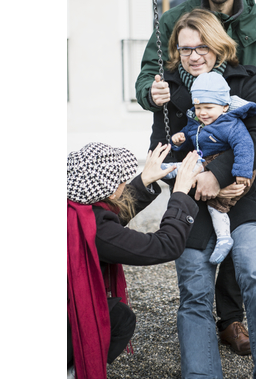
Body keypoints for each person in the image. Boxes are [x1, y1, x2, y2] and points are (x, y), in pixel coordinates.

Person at [135, 0, 256, 355]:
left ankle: (232, 316)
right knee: (200, 262)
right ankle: (212, 327)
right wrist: (153, 93)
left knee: (245, 240)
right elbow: (150, 76)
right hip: (193, 164)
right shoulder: (175, 23)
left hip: (238, 152)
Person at [67, 142, 202, 379]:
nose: (124, 184)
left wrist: (144, 181)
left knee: (119, 315)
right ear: (109, 190)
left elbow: (109, 221)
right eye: (122, 181)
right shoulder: (95, 229)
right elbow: (164, 246)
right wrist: (180, 194)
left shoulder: (75, 209)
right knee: (118, 320)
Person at [162, 71, 256, 264]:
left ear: (224, 106)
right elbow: (190, 136)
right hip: (206, 163)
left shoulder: (231, 125)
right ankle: (171, 170)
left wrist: (241, 172)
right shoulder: (197, 123)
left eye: (208, 107)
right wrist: (180, 140)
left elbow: (245, 147)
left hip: (233, 171)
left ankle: (224, 238)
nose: (202, 113)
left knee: (217, 206)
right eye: (198, 107)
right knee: (193, 166)